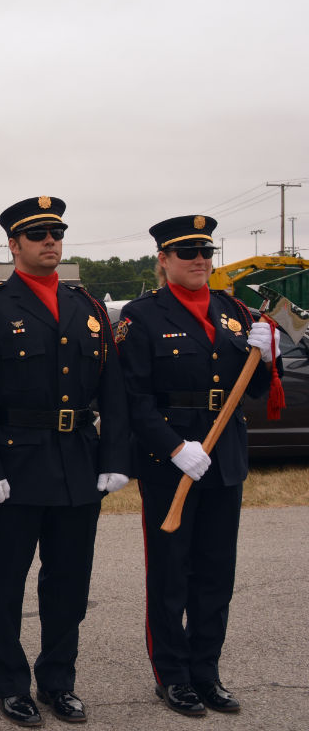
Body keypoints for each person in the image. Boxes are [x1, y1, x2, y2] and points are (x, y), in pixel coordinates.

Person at [0, 197, 129, 726]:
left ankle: (59, 681)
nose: (50, 242)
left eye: (56, 232)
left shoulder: (88, 309)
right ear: (13, 246)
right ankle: (9, 684)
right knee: (7, 583)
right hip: (15, 466)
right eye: (37, 236)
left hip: (78, 465)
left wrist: (113, 457)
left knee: (69, 583)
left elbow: (113, 392)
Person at [118, 215, 278, 718]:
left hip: (224, 456)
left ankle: (206, 671)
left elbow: (251, 390)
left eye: (205, 253)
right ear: (163, 260)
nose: (199, 262)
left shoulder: (233, 312)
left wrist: (268, 357)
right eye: (186, 253)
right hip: (172, 462)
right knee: (171, 572)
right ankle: (173, 675)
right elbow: (134, 399)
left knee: (215, 572)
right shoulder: (142, 317)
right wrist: (172, 447)